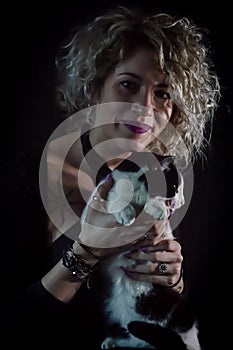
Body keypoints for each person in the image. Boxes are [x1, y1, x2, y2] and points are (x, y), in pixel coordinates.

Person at [0, 5, 220, 348]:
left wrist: (169, 277)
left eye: (163, 93)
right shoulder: (28, 180)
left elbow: (137, 300)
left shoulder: (157, 179)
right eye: (128, 85)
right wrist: (86, 252)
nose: (145, 108)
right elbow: (10, 326)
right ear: (93, 90)